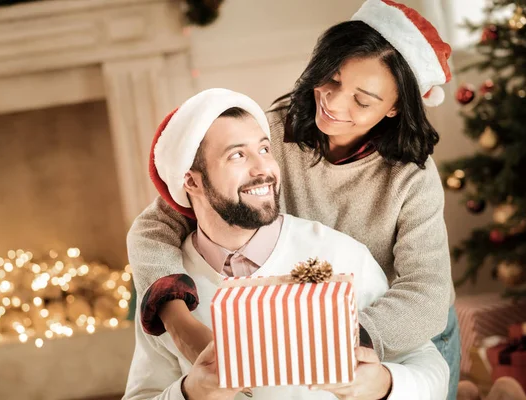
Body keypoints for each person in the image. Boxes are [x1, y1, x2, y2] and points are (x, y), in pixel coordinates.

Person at [128, 0, 461, 398]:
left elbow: (427, 291)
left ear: (394, 108)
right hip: (296, 327)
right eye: (332, 80)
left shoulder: (412, 177)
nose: (334, 103)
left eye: (362, 99)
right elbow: (153, 228)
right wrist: (179, 322)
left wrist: (337, 340)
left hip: (397, 335)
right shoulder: (263, 139)